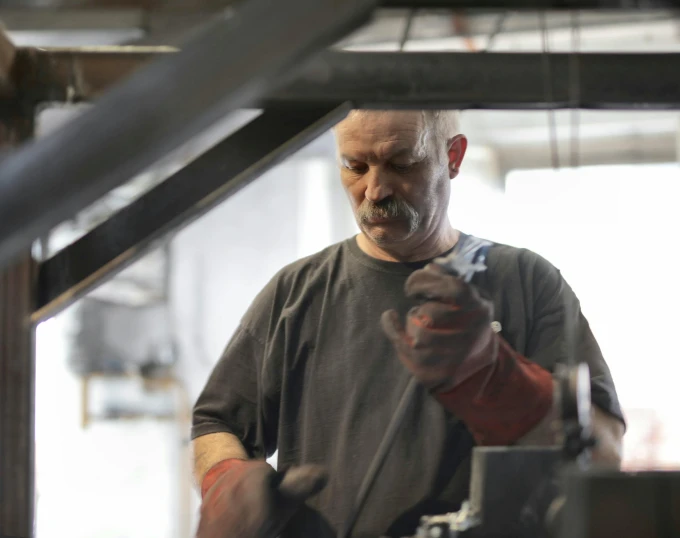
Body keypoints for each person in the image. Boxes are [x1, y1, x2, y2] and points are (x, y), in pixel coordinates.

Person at [191, 110, 626, 538]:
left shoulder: (526, 283)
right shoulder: (295, 293)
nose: (375, 190)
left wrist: (500, 381)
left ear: (452, 157)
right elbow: (217, 424)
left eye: (402, 164)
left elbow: (604, 453)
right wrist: (227, 482)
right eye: (354, 166)